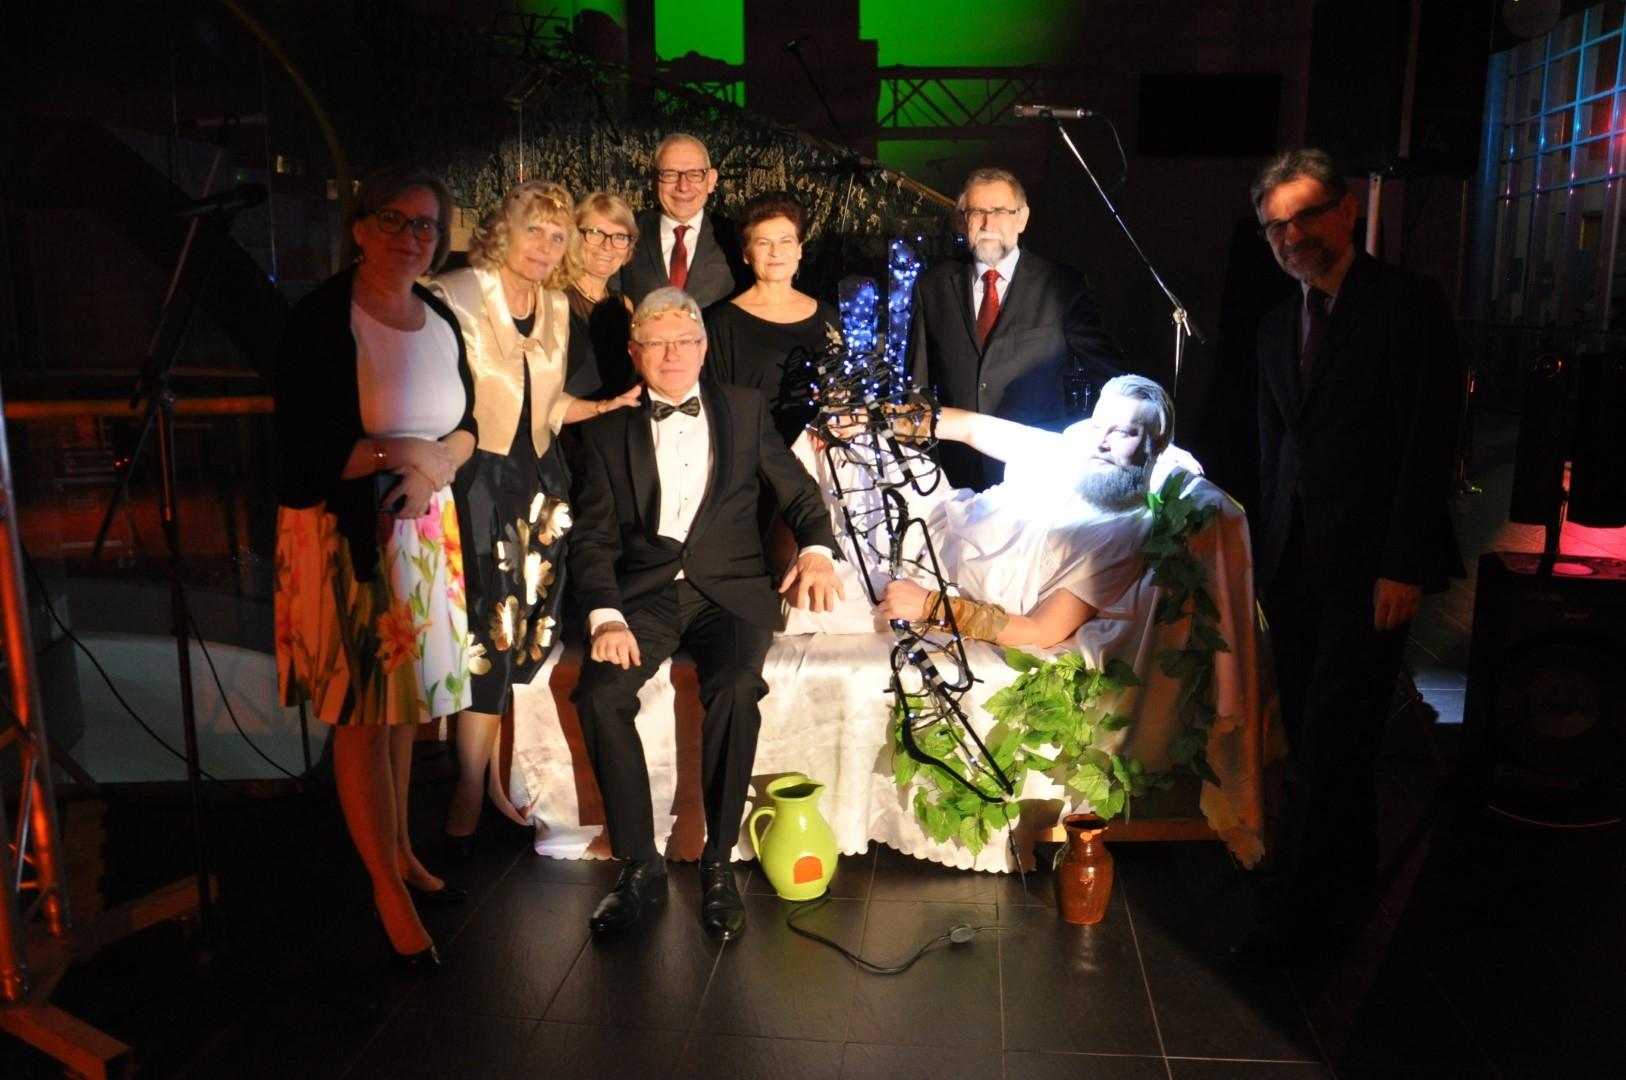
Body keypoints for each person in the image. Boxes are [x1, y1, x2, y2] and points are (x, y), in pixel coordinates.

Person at [568, 287, 843, 941]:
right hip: (646, 596)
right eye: (657, 343)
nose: (673, 355)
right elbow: (593, 538)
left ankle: (718, 862)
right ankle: (640, 864)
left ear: (703, 347)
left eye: (685, 341)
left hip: (731, 592)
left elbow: (799, 493)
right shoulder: (604, 430)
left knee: (737, 685)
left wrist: (816, 550)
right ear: (635, 352)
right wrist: (606, 615)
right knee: (599, 695)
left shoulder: (744, 409)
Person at [1250, 148, 1463, 944]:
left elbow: (1428, 440)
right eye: (1275, 225)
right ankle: (1340, 890)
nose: (1291, 236)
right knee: (1313, 737)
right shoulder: (1276, 323)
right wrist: (1265, 557)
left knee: (1338, 738)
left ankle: (1304, 915)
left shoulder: (1407, 303)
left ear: (1347, 211)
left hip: (1373, 567)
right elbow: (1276, 448)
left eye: (1305, 215)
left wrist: (1403, 563)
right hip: (1295, 563)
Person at [274, 164, 475, 968]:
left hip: (422, 533)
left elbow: (466, 428)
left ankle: (401, 854)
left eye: (426, 225)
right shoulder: (322, 319)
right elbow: (308, 452)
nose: (412, 237)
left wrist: (434, 465)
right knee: (362, 716)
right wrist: (405, 455)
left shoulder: (438, 314)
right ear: (359, 227)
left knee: (403, 710)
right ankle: (385, 889)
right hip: (346, 537)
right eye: (395, 219)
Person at [429, 180, 640, 860]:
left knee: (519, 639)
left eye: (557, 236)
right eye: (534, 231)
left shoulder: (554, 306)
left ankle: (489, 782)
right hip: (475, 484)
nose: (546, 246)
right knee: (485, 639)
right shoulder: (453, 295)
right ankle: (467, 791)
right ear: (503, 232)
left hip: (541, 488)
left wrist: (604, 408)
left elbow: (549, 406)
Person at [792, 375, 1176, 652]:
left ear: (1157, 444)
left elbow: (1041, 630)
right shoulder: (1071, 451)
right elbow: (970, 428)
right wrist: (874, 418)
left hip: (930, 580)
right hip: (933, 511)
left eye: (1123, 432)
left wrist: (930, 606)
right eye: (1098, 426)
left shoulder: (1124, 533)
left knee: (803, 599)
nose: (1102, 443)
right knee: (827, 437)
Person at [908, 166, 1127, 490]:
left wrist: (1134, 435)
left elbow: (1109, 373)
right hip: (956, 479)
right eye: (977, 212)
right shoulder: (932, 286)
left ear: (1022, 218)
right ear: (960, 220)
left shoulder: (1061, 285)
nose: (988, 224)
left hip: (1036, 476)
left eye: (1000, 211)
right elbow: (918, 387)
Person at [705, 190, 843, 448]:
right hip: (755, 459)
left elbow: (842, 391)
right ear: (746, 254)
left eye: (786, 241)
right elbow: (717, 408)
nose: (776, 252)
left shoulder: (826, 315)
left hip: (823, 457)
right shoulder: (723, 323)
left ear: (800, 249)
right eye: (763, 243)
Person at [615, 133, 748, 308]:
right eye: (670, 174)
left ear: (711, 180)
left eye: (694, 174)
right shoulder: (625, 233)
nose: (683, 186)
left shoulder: (736, 238)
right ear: (654, 180)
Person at [564, 190, 638, 400]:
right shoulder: (552, 299)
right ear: (575, 237)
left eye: (619, 237)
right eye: (595, 233)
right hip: (565, 419)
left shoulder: (625, 306)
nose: (607, 246)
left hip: (616, 418)